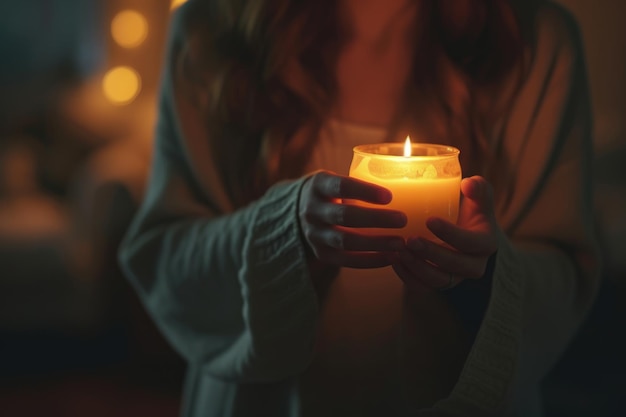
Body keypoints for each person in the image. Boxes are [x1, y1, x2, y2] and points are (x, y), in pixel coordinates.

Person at [118, 0, 601, 415]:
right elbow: (165, 257)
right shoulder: (212, 34)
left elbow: (567, 276)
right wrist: (284, 231)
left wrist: (486, 274)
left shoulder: (532, 43)